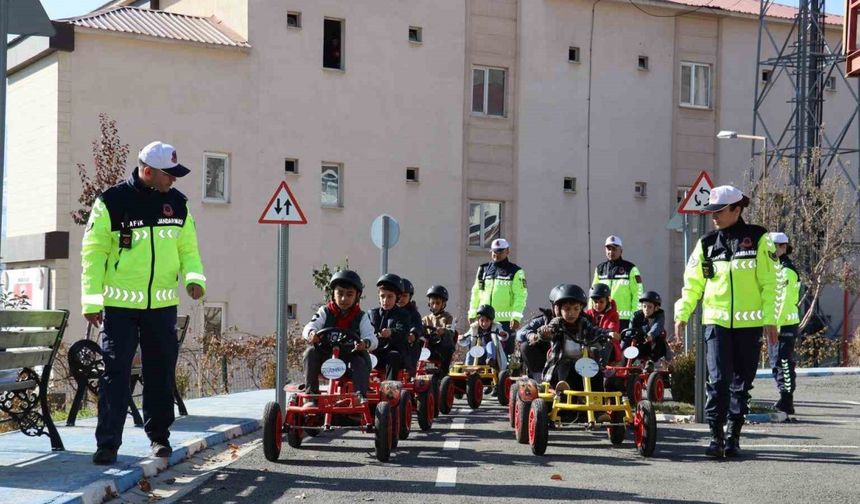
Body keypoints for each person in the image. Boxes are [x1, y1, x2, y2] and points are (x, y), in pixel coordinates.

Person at [81, 141, 206, 465]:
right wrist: (92, 300)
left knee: (161, 373)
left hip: (162, 306)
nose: (174, 181)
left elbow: (188, 249)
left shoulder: (178, 204)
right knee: (115, 374)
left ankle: (159, 439)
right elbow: (93, 253)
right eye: (169, 175)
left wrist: (195, 279)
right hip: (120, 307)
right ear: (148, 171)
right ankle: (108, 444)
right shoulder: (111, 202)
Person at [674, 185, 778, 458]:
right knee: (718, 380)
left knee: (741, 383)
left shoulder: (759, 238)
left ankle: (733, 435)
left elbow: (770, 283)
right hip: (716, 324)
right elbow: (692, 283)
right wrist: (682, 314)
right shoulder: (706, 243)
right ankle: (715, 437)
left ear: (737, 209)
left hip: (749, 325)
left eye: (719, 212)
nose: (713, 217)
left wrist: (770, 320)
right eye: (711, 212)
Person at [302, 271, 377, 407]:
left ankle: (359, 397)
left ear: (357, 296)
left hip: (349, 360)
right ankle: (311, 397)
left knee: (360, 361)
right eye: (340, 293)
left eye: (349, 294)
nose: (343, 299)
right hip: (325, 359)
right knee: (309, 352)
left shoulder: (361, 317)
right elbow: (310, 326)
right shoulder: (325, 311)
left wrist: (365, 343)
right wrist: (312, 333)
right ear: (333, 294)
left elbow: (372, 338)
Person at [537, 285, 614, 395]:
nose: (571, 313)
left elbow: (594, 330)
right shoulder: (558, 322)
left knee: (596, 372)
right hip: (560, 365)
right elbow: (549, 330)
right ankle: (563, 392)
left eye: (576, 309)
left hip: (581, 363)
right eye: (567, 309)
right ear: (559, 309)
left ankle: (598, 407)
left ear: (580, 309)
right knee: (567, 368)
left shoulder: (583, 322)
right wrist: (545, 332)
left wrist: (607, 333)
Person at [468, 238, 528, 355]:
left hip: (505, 322)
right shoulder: (483, 269)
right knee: (480, 354)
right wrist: (472, 313)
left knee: (503, 356)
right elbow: (476, 293)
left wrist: (516, 317)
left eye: (500, 251)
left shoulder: (516, 271)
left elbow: (520, 296)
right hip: (484, 321)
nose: (497, 254)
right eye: (494, 251)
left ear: (507, 251)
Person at [770, 232, 800, 415]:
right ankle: (784, 397)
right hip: (776, 323)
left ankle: (787, 399)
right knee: (776, 361)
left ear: (783, 247)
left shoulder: (786, 270)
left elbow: (783, 300)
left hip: (785, 323)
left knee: (783, 362)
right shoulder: (776, 268)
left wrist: (776, 325)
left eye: (774, 246)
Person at [593, 235, 644, 330]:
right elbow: (593, 294)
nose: (611, 252)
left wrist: (635, 317)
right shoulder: (599, 269)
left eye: (614, 249)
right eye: (608, 249)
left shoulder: (630, 268)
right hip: (604, 317)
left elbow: (638, 293)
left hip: (625, 320)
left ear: (621, 250)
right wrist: (592, 315)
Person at [368, 274, 414, 379]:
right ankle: (358, 389)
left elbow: (403, 331)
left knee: (393, 356)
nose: (385, 300)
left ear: (397, 297)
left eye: (390, 296)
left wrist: (391, 332)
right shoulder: (372, 314)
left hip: (396, 353)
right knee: (358, 356)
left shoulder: (403, 314)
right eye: (382, 296)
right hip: (376, 351)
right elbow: (365, 330)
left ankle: (389, 389)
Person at [515, 288, 558, 381]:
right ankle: (540, 379)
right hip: (547, 356)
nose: (570, 313)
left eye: (574, 308)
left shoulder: (583, 321)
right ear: (553, 307)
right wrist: (530, 335)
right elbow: (520, 333)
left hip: (571, 357)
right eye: (560, 306)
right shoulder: (543, 320)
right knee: (525, 345)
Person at [459, 304, 509, 369]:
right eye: (482, 320)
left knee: (490, 344)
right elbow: (466, 339)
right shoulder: (474, 328)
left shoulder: (496, 327)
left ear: (491, 321)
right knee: (469, 353)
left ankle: (490, 361)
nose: (484, 323)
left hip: (491, 354)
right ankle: (468, 369)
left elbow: (502, 336)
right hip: (477, 353)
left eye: (487, 321)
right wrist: (461, 339)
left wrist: (503, 335)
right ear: (478, 319)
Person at [421, 285, 456, 376]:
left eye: (437, 303)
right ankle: (414, 373)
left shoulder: (448, 317)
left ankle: (443, 374)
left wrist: (443, 331)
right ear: (429, 304)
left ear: (443, 304)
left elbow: (451, 331)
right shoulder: (425, 319)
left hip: (443, 347)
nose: (435, 306)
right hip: (429, 346)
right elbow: (419, 330)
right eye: (432, 303)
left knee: (445, 348)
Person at [584, 283, 622, 365]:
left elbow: (613, 328)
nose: (598, 305)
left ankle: (602, 366)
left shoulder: (613, 314)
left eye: (601, 302)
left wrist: (610, 332)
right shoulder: (588, 313)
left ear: (607, 301)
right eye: (595, 302)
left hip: (607, 347)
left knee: (608, 342)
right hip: (591, 344)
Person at [629, 291, 668, 366]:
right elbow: (631, 329)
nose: (646, 309)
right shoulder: (637, 316)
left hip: (655, 346)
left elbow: (657, 326)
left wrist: (651, 334)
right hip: (640, 344)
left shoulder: (659, 315)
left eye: (649, 307)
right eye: (644, 306)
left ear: (656, 308)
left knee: (661, 336)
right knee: (627, 344)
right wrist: (630, 336)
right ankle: (625, 364)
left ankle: (650, 363)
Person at [396, 277, 424, 373]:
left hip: (407, 343)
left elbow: (418, 326)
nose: (401, 299)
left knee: (415, 345)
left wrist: (414, 334)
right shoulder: (390, 310)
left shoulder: (413, 313)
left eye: (405, 296)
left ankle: (410, 373)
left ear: (410, 297)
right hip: (391, 343)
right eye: (399, 296)